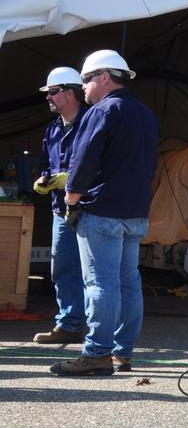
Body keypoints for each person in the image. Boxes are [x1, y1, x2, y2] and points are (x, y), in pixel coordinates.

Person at [50, 50, 158, 378]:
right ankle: (122, 353)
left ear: (104, 78)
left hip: (102, 212)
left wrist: (70, 199)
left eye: (85, 80)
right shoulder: (145, 114)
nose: (83, 88)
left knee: (99, 283)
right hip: (135, 212)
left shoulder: (101, 112)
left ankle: (96, 353)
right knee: (129, 283)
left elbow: (85, 161)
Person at [30, 67, 88, 345]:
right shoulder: (52, 129)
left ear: (70, 92)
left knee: (94, 271)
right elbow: (46, 163)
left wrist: (72, 180)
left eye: (53, 92)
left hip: (91, 208)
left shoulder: (94, 122)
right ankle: (70, 324)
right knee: (64, 267)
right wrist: (44, 178)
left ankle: (100, 329)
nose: (48, 98)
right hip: (60, 210)